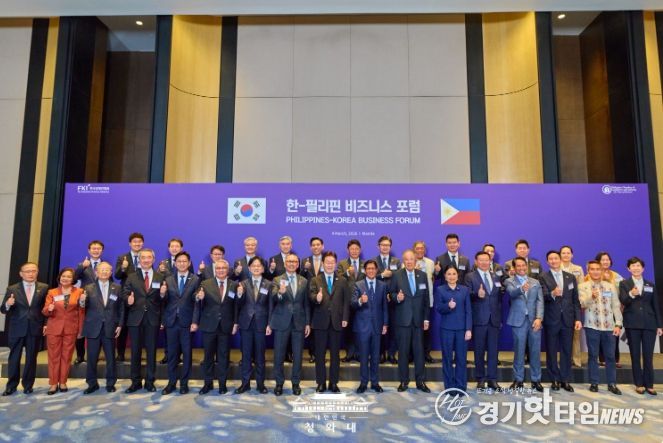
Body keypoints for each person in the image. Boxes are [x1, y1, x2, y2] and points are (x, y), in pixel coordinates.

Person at [1, 262, 48, 396]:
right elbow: (3, 310)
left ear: (37, 272)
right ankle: (11, 386)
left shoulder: (44, 288)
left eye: (34, 271)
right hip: (17, 328)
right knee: (14, 357)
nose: (31, 274)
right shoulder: (12, 289)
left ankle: (28, 385)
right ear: (21, 274)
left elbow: (45, 309)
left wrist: (46, 324)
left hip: (35, 327)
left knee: (31, 358)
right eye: (27, 271)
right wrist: (8, 304)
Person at [122, 248, 165, 393]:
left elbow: (163, 300)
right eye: (143, 258)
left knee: (151, 352)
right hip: (135, 319)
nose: (146, 260)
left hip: (153, 319)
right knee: (135, 352)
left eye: (149, 257)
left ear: (153, 259)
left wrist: (163, 295)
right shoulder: (132, 277)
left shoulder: (160, 277)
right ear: (139, 260)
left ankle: (150, 381)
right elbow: (124, 294)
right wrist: (128, 299)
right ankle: (135, 382)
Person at [618, 257, 663, 395]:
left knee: (648, 356)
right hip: (632, 323)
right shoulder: (624, 284)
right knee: (635, 355)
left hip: (650, 323)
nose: (636, 268)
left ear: (643, 268)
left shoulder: (650, 284)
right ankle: (639, 384)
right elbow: (623, 300)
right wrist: (631, 294)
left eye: (638, 266)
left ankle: (649, 384)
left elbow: (655, 305)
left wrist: (659, 325)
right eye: (633, 266)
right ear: (628, 268)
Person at [194, 260, 239, 395]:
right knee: (208, 357)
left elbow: (236, 306)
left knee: (223, 357)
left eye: (223, 268)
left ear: (228, 270)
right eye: (218, 268)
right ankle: (208, 383)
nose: (220, 270)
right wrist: (199, 297)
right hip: (209, 325)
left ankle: (222, 384)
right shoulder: (205, 284)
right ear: (215, 270)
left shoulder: (234, 285)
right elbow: (196, 297)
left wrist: (235, 323)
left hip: (226, 326)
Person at [538, 250, 581, 392]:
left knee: (567, 350)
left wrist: (578, 318)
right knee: (551, 350)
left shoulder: (570, 277)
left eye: (556, 258)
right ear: (547, 262)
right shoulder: (543, 276)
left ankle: (565, 379)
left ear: (560, 259)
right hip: (551, 318)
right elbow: (541, 295)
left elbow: (575, 300)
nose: (554, 261)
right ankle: (554, 379)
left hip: (568, 319)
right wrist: (552, 294)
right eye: (550, 259)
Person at [390, 249, 431, 393]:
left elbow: (426, 299)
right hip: (403, 321)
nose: (409, 262)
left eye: (411, 259)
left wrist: (426, 318)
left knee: (419, 353)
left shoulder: (422, 275)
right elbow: (390, 294)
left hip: (419, 321)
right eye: (406, 259)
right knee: (403, 352)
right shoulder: (397, 275)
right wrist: (397, 297)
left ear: (415, 261)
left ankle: (420, 381)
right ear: (403, 261)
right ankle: (404, 381)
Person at [579, 260, 622, 395]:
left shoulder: (610, 286)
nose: (595, 271)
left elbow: (616, 306)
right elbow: (582, 304)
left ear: (602, 271)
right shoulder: (583, 286)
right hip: (592, 326)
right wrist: (591, 297)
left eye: (598, 269)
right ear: (588, 271)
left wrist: (618, 323)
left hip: (609, 327)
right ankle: (594, 383)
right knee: (593, 355)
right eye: (592, 269)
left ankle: (612, 383)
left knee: (610, 356)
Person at [310, 251, 351, 393]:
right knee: (320, 354)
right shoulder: (315, 280)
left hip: (336, 321)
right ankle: (321, 383)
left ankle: (334, 383)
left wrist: (345, 318)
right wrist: (316, 298)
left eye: (332, 262)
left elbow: (346, 301)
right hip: (320, 322)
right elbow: (310, 296)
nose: (329, 265)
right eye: (327, 262)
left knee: (335, 355)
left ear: (335, 264)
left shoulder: (342, 280)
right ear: (322, 264)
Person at [160, 251, 200, 395]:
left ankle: (184, 384)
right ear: (175, 264)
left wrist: (195, 321)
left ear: (189, 263)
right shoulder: (168, 279)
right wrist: (162, 294)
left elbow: (196, 303)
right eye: (179, 261)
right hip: (171, 322)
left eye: (184, 261)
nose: (182, 263)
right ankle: (171, 383)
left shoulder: (195, 279)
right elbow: (164, 303)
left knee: (187, 354)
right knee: (172, 354)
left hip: (187, 322)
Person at [270, 253, 310, 396]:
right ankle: (279, 383)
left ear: (298, 264)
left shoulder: (304, 281)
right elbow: (274, 297)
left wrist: (307, 323)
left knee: (298, 355)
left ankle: (295, 383)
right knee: (279, 355)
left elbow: (306, 304)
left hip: (299, 322)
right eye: (289, 261)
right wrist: (280, 293)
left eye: (294, 262)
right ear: (285, 264)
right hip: (282, 322)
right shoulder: (277, 279)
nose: (292, 264)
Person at [80, 262, 124, 394]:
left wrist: (120, 325)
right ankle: (92, 384)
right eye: (102, 270)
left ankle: (110, 383)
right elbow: (83, 306)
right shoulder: (88, 288)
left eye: (107, 270)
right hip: (93, 327)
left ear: (111, 273)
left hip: (110, 326)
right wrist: (81, 301)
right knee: (92, 358)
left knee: (111, 358)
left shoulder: (117, 287)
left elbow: (121, 308)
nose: (104, 272)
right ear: (96, 272)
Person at [42, 267, 85, 395]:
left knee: (67, 357)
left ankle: (63, 382)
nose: (65, 278)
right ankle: (53, 383)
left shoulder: (79, 292)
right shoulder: (52, 292)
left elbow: (81, 312)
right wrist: (49, 309)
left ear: (73, 279)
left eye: (69, 277)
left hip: (71, 328)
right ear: (59, 277)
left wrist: (81, 330)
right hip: (54, 328)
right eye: (63, 276)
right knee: (53, 357)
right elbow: (45, 311)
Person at [505, 257, 544, 392]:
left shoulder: (535, 282)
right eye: (518, 266)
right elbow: (511, 293)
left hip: (534, 321)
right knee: (519, 351)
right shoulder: (509, 281)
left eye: (523, 265)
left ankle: (536, 380)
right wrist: (521, 288)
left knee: (535, 351)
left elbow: (540, 301)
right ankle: (518, 379)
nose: (521, 268)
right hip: (518, 320)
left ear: (526, 266)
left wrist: (539, 318)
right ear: (514, 268)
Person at [465, 251, 502, 390]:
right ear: (476, 261)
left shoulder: (495, 276)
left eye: (487, 260)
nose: (484, 262)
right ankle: (480, 378)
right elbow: (466, 295)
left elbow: (498, 298)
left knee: (493, 351)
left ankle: (492, 379)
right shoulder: (470, 276)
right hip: (479, 319)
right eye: (481, 260)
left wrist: (499, 317)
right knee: (479, 350)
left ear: (490, 261)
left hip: (494, 320)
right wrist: (476, 294)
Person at [235, 256, 273, 394]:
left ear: (263, 269)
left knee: (260, 356)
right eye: (253, 266)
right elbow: (237, 305)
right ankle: (245, 383)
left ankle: (260, 384)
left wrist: (269, 324)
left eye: (259, 266)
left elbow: (271, 306)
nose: (256, 268)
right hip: (246, 324)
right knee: (246, 355)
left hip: (261, 324)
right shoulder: (242, 284)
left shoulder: (269, 284)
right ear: (249, 268)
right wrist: (239, 295)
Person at [351, 260, 388, 393]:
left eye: (373, 268)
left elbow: (384, 306)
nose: (371, 271)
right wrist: (360, 300)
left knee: (376, 356)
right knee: (364, 356)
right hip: (363, 327)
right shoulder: (358, 285)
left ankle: (375, 382)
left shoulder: (383, 285)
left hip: (377, 326)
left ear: (376, 270)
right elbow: (352, 303)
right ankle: (363, 383)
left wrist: (385, 323)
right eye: (368, 269)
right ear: (365, 270)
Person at [436, 266, 472, 392]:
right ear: (445, 276)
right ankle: (449, 386)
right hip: (446, 329)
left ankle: (461, 386)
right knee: (447, 358)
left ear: (458, 276)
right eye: (449, 274)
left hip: (462, 330)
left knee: (461, 358)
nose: (451, 276)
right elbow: (438, 308)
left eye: (454, 274)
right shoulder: (440, 290)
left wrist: (468, 329)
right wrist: (448, 306)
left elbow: (468, 311)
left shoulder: (464, 290)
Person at [73, 239, 105, 364]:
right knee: (81, 328)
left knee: (99, 328)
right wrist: (82, 267)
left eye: (98, 249)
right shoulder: (83, 265)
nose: (96, 250)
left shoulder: (105, 265)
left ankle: (95, 355)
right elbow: (73, 279)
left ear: (102, 251)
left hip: (100, 302)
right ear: (89, 250)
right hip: (85, 300)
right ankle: (80, 355)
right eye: (94, 248)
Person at [114, 232, 145, 362]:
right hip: (126, 295)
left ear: (142, 243)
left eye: (139, 241)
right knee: (123, 325)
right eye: (134, 242)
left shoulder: (146, 256)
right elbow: (116, 276)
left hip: (141, 296)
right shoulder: (123, 258)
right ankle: (120, 353)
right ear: (130, 244)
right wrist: (123, 268)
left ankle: (137, 354)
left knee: (139, 326)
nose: (137, 244)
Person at [595, 251, 624, 368]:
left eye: (607, 259)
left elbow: (623, 291)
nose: (605, 262)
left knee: (614, 336)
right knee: (600, 336)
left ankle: (615, 359)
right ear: (598, 262)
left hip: (613, 310)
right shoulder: (593, 274)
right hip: (598, 310)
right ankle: (602, 359)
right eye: (603, 260)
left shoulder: (617, 276)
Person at [337, 239, 363, 362]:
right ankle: (349, 353)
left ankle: (359, 354)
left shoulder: (365, 264)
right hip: (346, 301)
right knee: (347, 329)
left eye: (356, 249)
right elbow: (337, 278)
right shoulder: (342, 264)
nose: (354, 251)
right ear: (348, 250)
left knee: (360, 328)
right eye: (352, 249)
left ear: (360, 250)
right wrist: (347, 273)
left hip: (361, 301)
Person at [300, 236, 325, 363]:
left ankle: (321, 354)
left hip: (324, 297)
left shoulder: (326, 260)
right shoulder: (305, 261)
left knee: (323, 327)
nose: (316, 247)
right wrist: (305, 269)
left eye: (318, 244)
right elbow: (300, 277)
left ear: (322, 246)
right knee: (310, 325)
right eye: (313, 245)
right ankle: (312, 354)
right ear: (310, 247)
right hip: (308, 297)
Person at [560, 245, 585, 368]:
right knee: (563, 335)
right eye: (563, 253)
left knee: (576, 333)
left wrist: (580, 302)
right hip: (560, 306)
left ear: (572, 255)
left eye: (568, 253)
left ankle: (576, 359)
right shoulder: (556, 267)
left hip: (574, 304)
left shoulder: (578, 269)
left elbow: (581, 286)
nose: (566, 255)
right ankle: (565, 359)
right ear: (560, 255)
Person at [413, 241, 435, 364]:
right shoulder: (408, 262)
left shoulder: (430, 263)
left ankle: (426, 353)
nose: (420, 250)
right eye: (417, 248)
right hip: (413, 302)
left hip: (427, 300)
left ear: (424, 250)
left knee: (426, 329)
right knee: (413, 329)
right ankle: (412, 354)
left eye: (422, 248)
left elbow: (433, 278)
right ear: (414, 250)